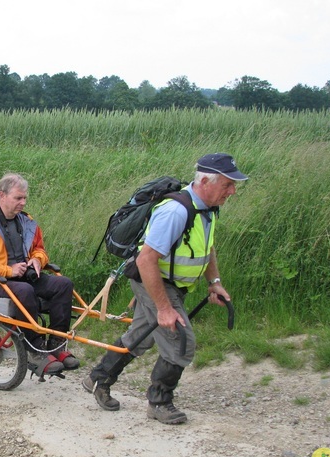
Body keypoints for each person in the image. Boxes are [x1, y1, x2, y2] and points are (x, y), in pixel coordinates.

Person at [83, 153, 248, 424]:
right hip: (155, 282)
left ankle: (97, 378)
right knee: (180, 344)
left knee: (141, 336)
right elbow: (146, 259)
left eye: (233, 185)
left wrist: (214, 283)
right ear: (205, 181)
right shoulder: (176, 211)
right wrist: (163, 308)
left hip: (170, 284)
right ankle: (159, 402)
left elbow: (207, 249)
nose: (232, 191)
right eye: (228, 185)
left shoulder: (207, 208)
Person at [0, 173, 79, 377]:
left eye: (25, 198)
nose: (23, 202)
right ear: (2, 195)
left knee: (64, 284)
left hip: (25, 275)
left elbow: (40, 249)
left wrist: (37, 260)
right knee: (25, 291)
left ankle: (56, 344)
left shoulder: (26, 222)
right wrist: (8, 270)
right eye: (18, 198)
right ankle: (34, 349)